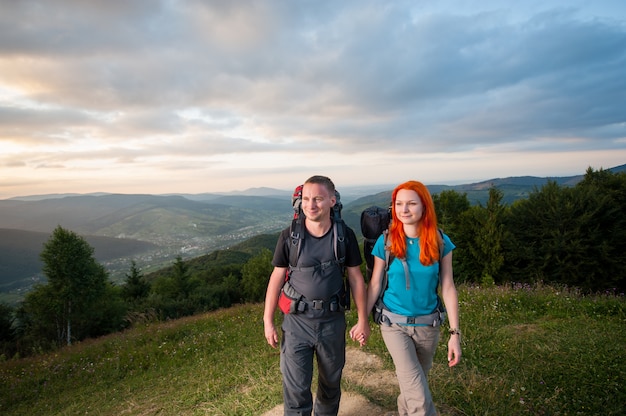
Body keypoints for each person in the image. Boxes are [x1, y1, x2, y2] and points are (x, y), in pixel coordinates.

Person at [264, 175, 370, 416]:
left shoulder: (344, 235)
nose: (311, 205)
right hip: (296, 323)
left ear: (332, 201)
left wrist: (363, 320)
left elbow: (356, 278)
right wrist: (267, 321)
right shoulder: (289, 236)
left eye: (318, 199)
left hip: (332, 322)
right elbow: (276, 278)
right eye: (307, 199)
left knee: (330, 384)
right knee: (296, 388)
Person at [356, 180, 461, 416]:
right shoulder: (387, 241)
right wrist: (362, 320)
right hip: (393, 325)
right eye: (399, 204)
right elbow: (374, 284)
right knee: (420, 399)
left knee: (414, 386)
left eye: (411, 203)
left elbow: (448, 287)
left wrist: (455, 334)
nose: (404, 209)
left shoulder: (440, 240)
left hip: (428, 326)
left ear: (424, 207)